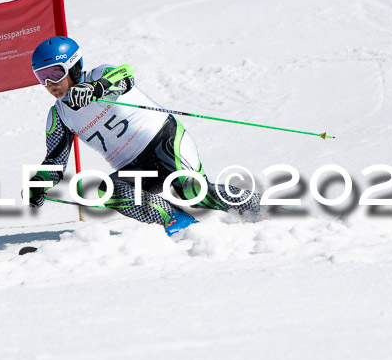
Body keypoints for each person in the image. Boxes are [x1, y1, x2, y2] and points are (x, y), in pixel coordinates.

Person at [25, 36, 262, 236]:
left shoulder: (99, 75)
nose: (49, 84)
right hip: (134, 166)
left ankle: (265, 209)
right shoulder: (59, 115)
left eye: (55, 73)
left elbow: (125, 75)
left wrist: (97, 88)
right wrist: (39, 183)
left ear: (74, 67)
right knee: (107, 190)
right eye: (41, 76)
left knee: (191, 191)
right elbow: (55, 162)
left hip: (164, 140)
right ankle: (179, 225)